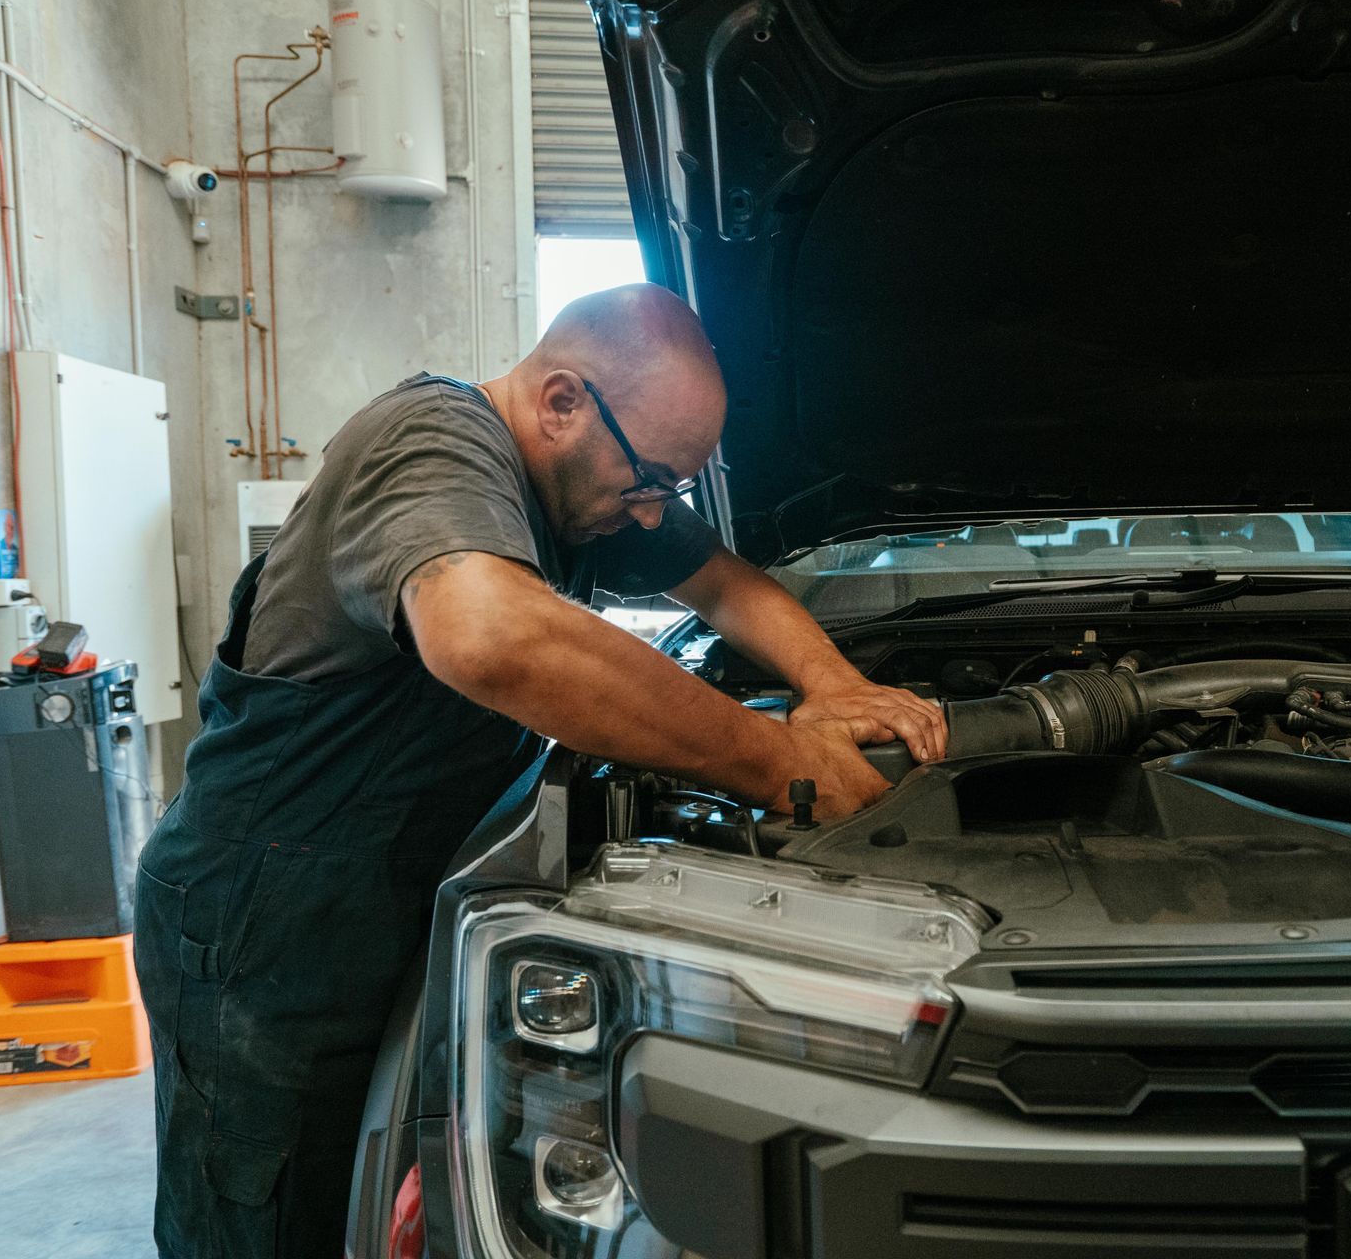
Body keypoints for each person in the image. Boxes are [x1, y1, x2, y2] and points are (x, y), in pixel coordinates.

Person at [134, 284, 943, 1256]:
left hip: (383, 898)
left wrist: (836, 686)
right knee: (266, 1214)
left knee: (374, 1189)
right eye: (647, 478)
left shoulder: (599, 475)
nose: (652, 511)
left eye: (671, 487)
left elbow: (725, 581)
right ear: (561, 400)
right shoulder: (431, 444)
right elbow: (489, 635)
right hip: (261, 934)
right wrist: (780, 763)